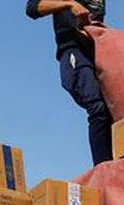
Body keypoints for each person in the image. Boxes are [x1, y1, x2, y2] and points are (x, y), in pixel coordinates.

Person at [26, 0, 112, 166]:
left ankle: (119, 165)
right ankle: (103, 168)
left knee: (113, 110)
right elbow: (33, 8)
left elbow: (95, 20)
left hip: (98, 54)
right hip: (74, 52)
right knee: (97, 107)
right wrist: (69, 4)